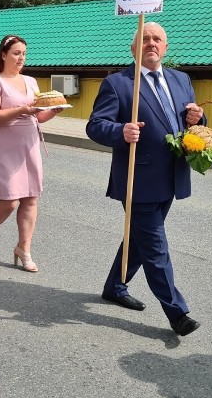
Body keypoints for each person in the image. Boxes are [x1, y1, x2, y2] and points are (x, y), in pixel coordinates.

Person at [85, 22, 204, 337]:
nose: (152, 43)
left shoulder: (182, 80)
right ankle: (177, 313)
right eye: (145, 38)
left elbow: (189, 120)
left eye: (157, 39)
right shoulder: (118, 83)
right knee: (155, 245)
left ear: (165, 47)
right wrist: (120, 131)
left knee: (139, 238)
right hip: (137, 179)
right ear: (134, 48)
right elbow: (95, 125)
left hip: (171, 176)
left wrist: (198, 118)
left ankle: (114, 286)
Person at [0, 35, 62, 273]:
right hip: (3, 145)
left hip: (29, 143)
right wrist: (21, 109)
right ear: (3, 55)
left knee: (31, 198)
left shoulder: (31, 81)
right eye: (16, 53)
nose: (21, 57)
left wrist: (53, 110)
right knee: (10, 201)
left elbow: (37, 115)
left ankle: (24, 249)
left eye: (23, 53)